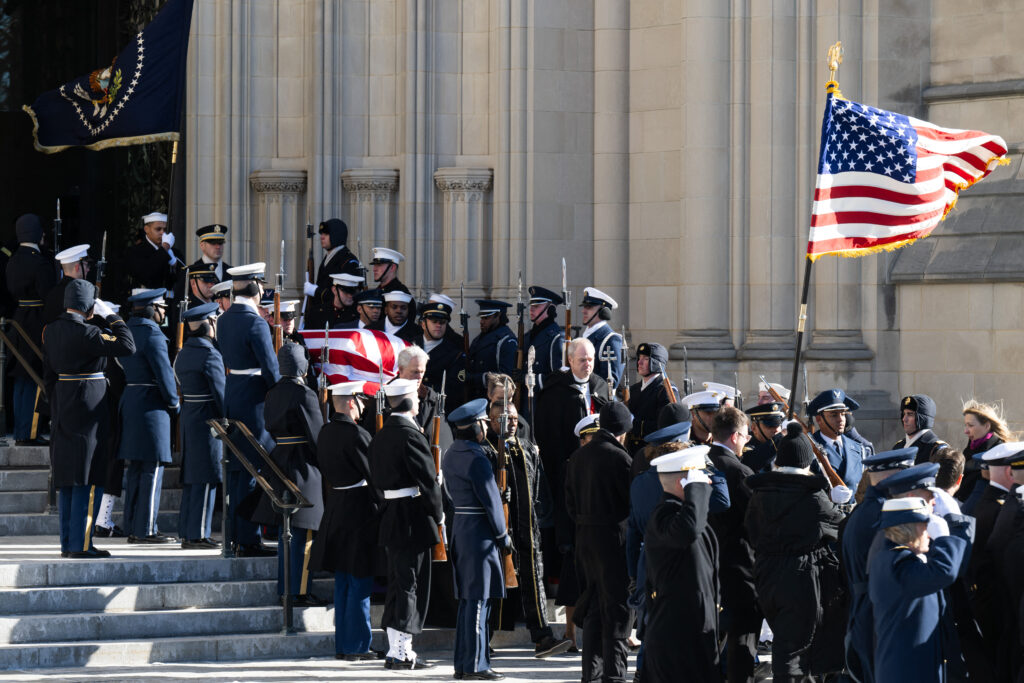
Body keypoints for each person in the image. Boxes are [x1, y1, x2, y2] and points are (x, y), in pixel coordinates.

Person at [745, 423, 847, 681]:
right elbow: (839, 527)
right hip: (800, 577)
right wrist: (842, 505)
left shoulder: (760, 493)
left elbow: (752, 530)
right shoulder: (812, 496)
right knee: (796, 648)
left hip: (767, 573)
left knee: (784, 637)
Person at [45, 280, 135, 558]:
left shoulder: (51, 331)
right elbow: (127, 345)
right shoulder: (88, 332)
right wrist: (112, 315)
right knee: (89, 475)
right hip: (89, 407)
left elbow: (49, 374)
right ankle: (82, 545)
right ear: (88, 306)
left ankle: (68, 543)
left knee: (70, 478)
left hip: (64, 402)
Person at [533, 337, 610, 638]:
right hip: (569, 479)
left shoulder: (602, 385)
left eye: (590, 359)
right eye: (582, 359)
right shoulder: (555, 391)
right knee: (572, 554)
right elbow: (548, 438)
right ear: (569, 360)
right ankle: (570, 628)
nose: (588, 364)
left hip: (600, 480)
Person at [484, 400, 568, 658]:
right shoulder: (485, 451)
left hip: (528, 528)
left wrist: (542, 518)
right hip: (498, 530)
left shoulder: (528, 447)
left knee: (534, 581)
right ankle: (482, 639)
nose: (511, 423)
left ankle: (542, 636)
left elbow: (539, 485)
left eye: (514, 418)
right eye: (505, 418)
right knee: (493, 585)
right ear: (492, 420)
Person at [369, 378, 442, 670]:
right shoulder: (410, 435)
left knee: (398, 583)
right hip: (410, 516)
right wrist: (438, 514)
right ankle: (402, 653)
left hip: (391, 513)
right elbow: (428, 480)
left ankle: (396, 650)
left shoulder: (382, 435)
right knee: (409, 584)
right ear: (409, 402)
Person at [310, 380, 383, 661]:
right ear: (351, 402)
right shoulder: (357, 435)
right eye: (361, 401)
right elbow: (373, 475)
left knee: (343, 582)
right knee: (360, 581)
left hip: (336, 508)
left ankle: (344, 644)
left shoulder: (326, 432)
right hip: (358, 512)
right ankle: (358, 646)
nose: (363, 406)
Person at [869, 496, 975, 683]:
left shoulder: (891, 558)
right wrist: (944, 537)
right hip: (907, 672)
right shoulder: (898, 566)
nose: (928, 534)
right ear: (909, 529)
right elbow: (944, 571)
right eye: (924, 526)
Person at [564, 401, 634, 683]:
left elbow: (569, 503)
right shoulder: (620, 458)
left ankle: (589, 675)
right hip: (613, 540)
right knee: (617, 610)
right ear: (624, 430)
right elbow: (631, 503)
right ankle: (614, 676)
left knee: (593, 606)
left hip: (585, 538)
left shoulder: (579, 456)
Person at [443, 398, 512, 681]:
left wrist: (496, 493)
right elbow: (490, 504)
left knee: (468, 602)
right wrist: (502, 534)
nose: (486, 426)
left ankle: (464, 662)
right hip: (480, 534)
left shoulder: (451, 454)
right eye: (483, 422)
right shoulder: (477, 458)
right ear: (475, 427)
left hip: (461, 526)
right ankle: (475, 665)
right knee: (479, 601)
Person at [252, 343, 326, 605]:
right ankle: (299, 591)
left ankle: (286, 588)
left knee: (288, 533)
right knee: (304, 533)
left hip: (279, 459)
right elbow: (318, 436)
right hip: (302, 464)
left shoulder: (273, 392)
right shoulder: (303, 394)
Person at [640, 444, 719, 683]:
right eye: (700, 477)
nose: (708, 483)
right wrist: (696, 489)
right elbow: (688, 529)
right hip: (674, 638)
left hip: (694, 633)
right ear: (682, 483)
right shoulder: (665, 516)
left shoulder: (683, 514)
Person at [840, 447, 918, 683]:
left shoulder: (866, 510)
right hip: (875, 615)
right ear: (892, 477)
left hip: (864, 611)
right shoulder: (882, 515)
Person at [218, 262, 280, 557]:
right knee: (253, 468)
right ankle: (248, 538)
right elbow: (270, 367)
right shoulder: (256, 323)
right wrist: (280, 393)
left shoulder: (225, 319)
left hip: (233, 394)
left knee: (237, 470)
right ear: (255, 287)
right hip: (254, 399)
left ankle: (235, 534)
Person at [119, 288, 179, 544]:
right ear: (151, 309)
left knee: (136, 467)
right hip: (151, 404)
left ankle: (131, 524)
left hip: (131, 399)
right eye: (161, 307)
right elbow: (164, 373)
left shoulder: (127, 329)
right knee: (152, 469)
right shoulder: (153, 334)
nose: (164, 312)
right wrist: (174, 402)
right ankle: (146, 529)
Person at [706, 405, 759, 683]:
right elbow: (757, 520)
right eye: (747, 436)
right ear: (736, 436)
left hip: (704, 568)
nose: (747, 441)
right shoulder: (739, 471)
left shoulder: (698, 462)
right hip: (737, 568)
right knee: (742, 642)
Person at [172, 303, 225, 549]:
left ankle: (187, 530)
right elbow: (220, 392)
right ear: (208, 324)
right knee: (205, 476)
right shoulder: (209, 353)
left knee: (193, 476)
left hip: (190, 416)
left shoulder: (184, 352)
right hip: (206, 418)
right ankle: (198, 534)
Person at [7, 213, 56, 445]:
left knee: (21, 378)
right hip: (36, 321)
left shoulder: (13, 259)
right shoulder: (40, 262)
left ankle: (20, 430)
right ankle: (30, 432)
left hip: (18, 319)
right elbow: (47, 294)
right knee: (36, 376)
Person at [302, 218, 362, 330]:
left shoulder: (348, 260)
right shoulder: (329, 258)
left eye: (326, 233)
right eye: (321, 233)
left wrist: (316, 291)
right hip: (324, 314)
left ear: (337, 235)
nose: (322, 237)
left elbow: (347, 293)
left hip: (341, 318)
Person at [808, 388, 867, 490]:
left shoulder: (858, 448)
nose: (841, 419)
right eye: (834, 415)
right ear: (819, 419)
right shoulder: (809, 448)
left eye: (843, 414)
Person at [959, 399, 1012, 508]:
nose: (966, 431)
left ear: (987, 426)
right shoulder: (972, 446)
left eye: (970, 425)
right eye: (966, 425)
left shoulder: (998, 452)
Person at [625, 343, 676, 453]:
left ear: (656, 362)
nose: (639, 362)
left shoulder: (665, 390)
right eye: (639, 358)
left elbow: (664, 426)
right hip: (632, 451)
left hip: (654, 452)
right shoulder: (633, 389)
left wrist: (633, 422)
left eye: (646, 359)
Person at [415, 300, 467, 401]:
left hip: (437, 408)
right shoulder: (410, 345)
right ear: (423, 325)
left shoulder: (455, 354)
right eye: (434, 321)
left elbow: (456, 390)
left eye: (442, 322)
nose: (438, 325)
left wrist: (428, 393)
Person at [466, 299, 518, 399]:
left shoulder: (506, 340)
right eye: (481, 317)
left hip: (493, 399)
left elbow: (505, 377)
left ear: (498, 316)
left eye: (486, 317)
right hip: (474, 396)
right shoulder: (479, 339)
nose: (482, 321)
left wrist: (477, 378)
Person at [579, 288, 623, 391]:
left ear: (603, 311)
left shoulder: (611, 340)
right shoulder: (584, 337)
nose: (583, 311)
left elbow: (611, 383)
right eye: (584, 306)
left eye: (589, 307)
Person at [126, 212, 182, 290]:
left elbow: (184, 278)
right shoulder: (135, 251)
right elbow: (146, 276)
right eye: (158, 229)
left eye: (165, 229)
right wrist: (164, 248)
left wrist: (175, 263)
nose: (162, 233)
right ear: (146, 229)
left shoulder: (174, 252)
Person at [523, 286, 565, 390]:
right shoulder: (527, 336)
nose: (531, 309)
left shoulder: (557, 338)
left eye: (536, 306)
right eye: (531, 305)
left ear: (550, 309)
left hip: (543, 401)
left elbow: (558, 378)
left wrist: (526, 379)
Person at [892, 394, 948, 464]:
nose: (904, 419)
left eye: (910, 414)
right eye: (904, 414)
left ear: (923, 419)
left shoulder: (936, 449)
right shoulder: (898, 446)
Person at [43, 244, 91, 324]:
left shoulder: (53, 292)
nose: (88, 269)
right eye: (87, 265)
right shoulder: (80, 294)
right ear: (77, 267)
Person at [743, 401, 786, 473]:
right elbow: (753, 462)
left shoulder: (780, 444)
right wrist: (780, 437)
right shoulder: (746, 444)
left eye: (778, 425)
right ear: (754, 428)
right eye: (770, 426)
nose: (776, 430)